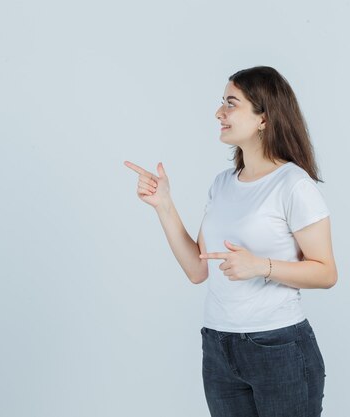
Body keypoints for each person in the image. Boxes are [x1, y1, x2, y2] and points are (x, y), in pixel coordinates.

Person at [124, 65, 337, 417]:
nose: (219, 113)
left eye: (231, 103)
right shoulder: (223, 184)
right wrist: (164, 205)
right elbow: (197, 268)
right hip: (219, 345)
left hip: (279, 346)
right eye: (222, 102)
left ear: (263, 119)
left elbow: (326, 272)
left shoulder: (293, 185)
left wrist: (260, 267)